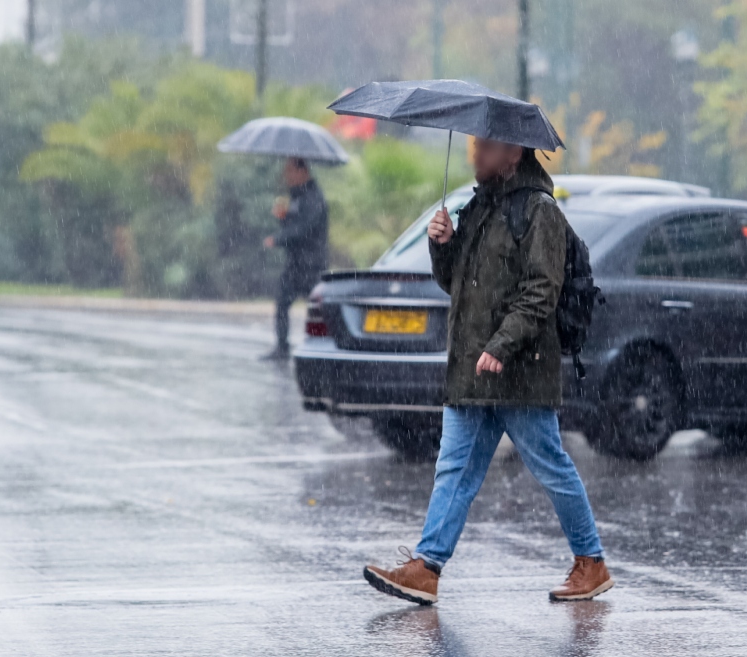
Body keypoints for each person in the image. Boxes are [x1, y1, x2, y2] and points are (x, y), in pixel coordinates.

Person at [362, 137, 613, 605]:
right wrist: (443, 246)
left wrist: (503, 344)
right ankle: (427, 567)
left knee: (551, 466)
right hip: (471, 368)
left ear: (513, 154)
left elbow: (543, 289)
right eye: (474, 145)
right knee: (454, 468)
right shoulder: (477, 208)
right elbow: (455, 282)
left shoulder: (540, 212)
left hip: (519, 372)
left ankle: (591, 562)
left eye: (485, 147)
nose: (474, 154)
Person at [260, 157, 330, 361]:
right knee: (282, 302)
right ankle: (282, 347)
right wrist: (283, 217)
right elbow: (295, 225)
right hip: (295, 263)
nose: (286, 176)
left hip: (311, 265)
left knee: (319, 310)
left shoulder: (314, 198)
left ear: (302, 171)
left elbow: (304, 230)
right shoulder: (298, 197)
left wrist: (279, 238)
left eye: (289, 171)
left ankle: (323, 349)